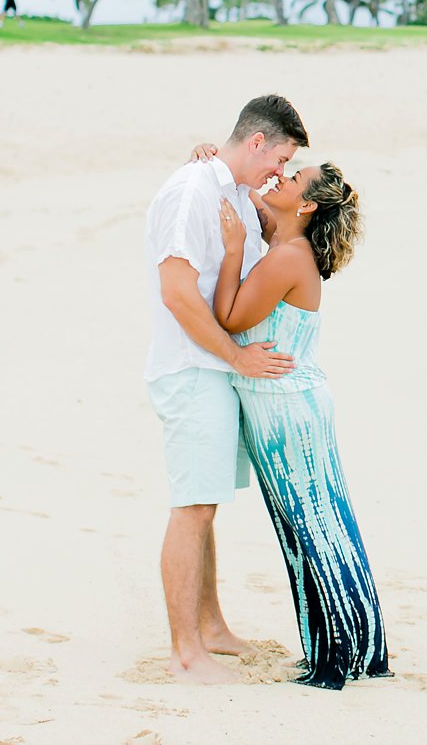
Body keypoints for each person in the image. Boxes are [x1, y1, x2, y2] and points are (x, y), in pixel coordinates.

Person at [144, 95, 308, 684]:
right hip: (192, 369)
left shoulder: (232, 188)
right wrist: (236, 355)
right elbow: (178, 293)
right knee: (191, 507)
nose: (281, 173)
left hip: (214, 371)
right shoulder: (193, 192)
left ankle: (209, 627)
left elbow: (285, 217)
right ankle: (185, 651)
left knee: (206, 504)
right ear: (258, 141)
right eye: (280, 157)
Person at [212, 159, 389, 690]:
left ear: (307, 205)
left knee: (312, 531)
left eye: (292, 180)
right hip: (292, 403)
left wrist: (235, 251)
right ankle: (357, 653)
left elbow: (229, 317)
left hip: (285, 410)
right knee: (324, 527)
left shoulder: (287, 257)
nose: (279, 179)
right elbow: (255, 199)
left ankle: (333, 664)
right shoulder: (290, 249)